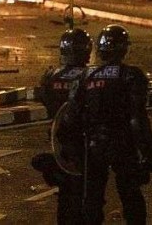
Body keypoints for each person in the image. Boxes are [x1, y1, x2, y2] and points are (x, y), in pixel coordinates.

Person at [57, 24, 152, 225]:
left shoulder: (86, 76)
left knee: (93, 200)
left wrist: (69, 152)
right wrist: (149, 154)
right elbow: (137, 119)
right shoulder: (131, 75)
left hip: (94, 147)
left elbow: (70, 118)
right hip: (124, 145)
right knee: (131, 197)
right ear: (124, 49)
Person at [34, 28, 92, 224]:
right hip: (85, 144)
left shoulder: (51, 76)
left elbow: (43, 98)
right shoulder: (90, 76)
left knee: (66, 196)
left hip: (58, 142)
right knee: (86, 197)